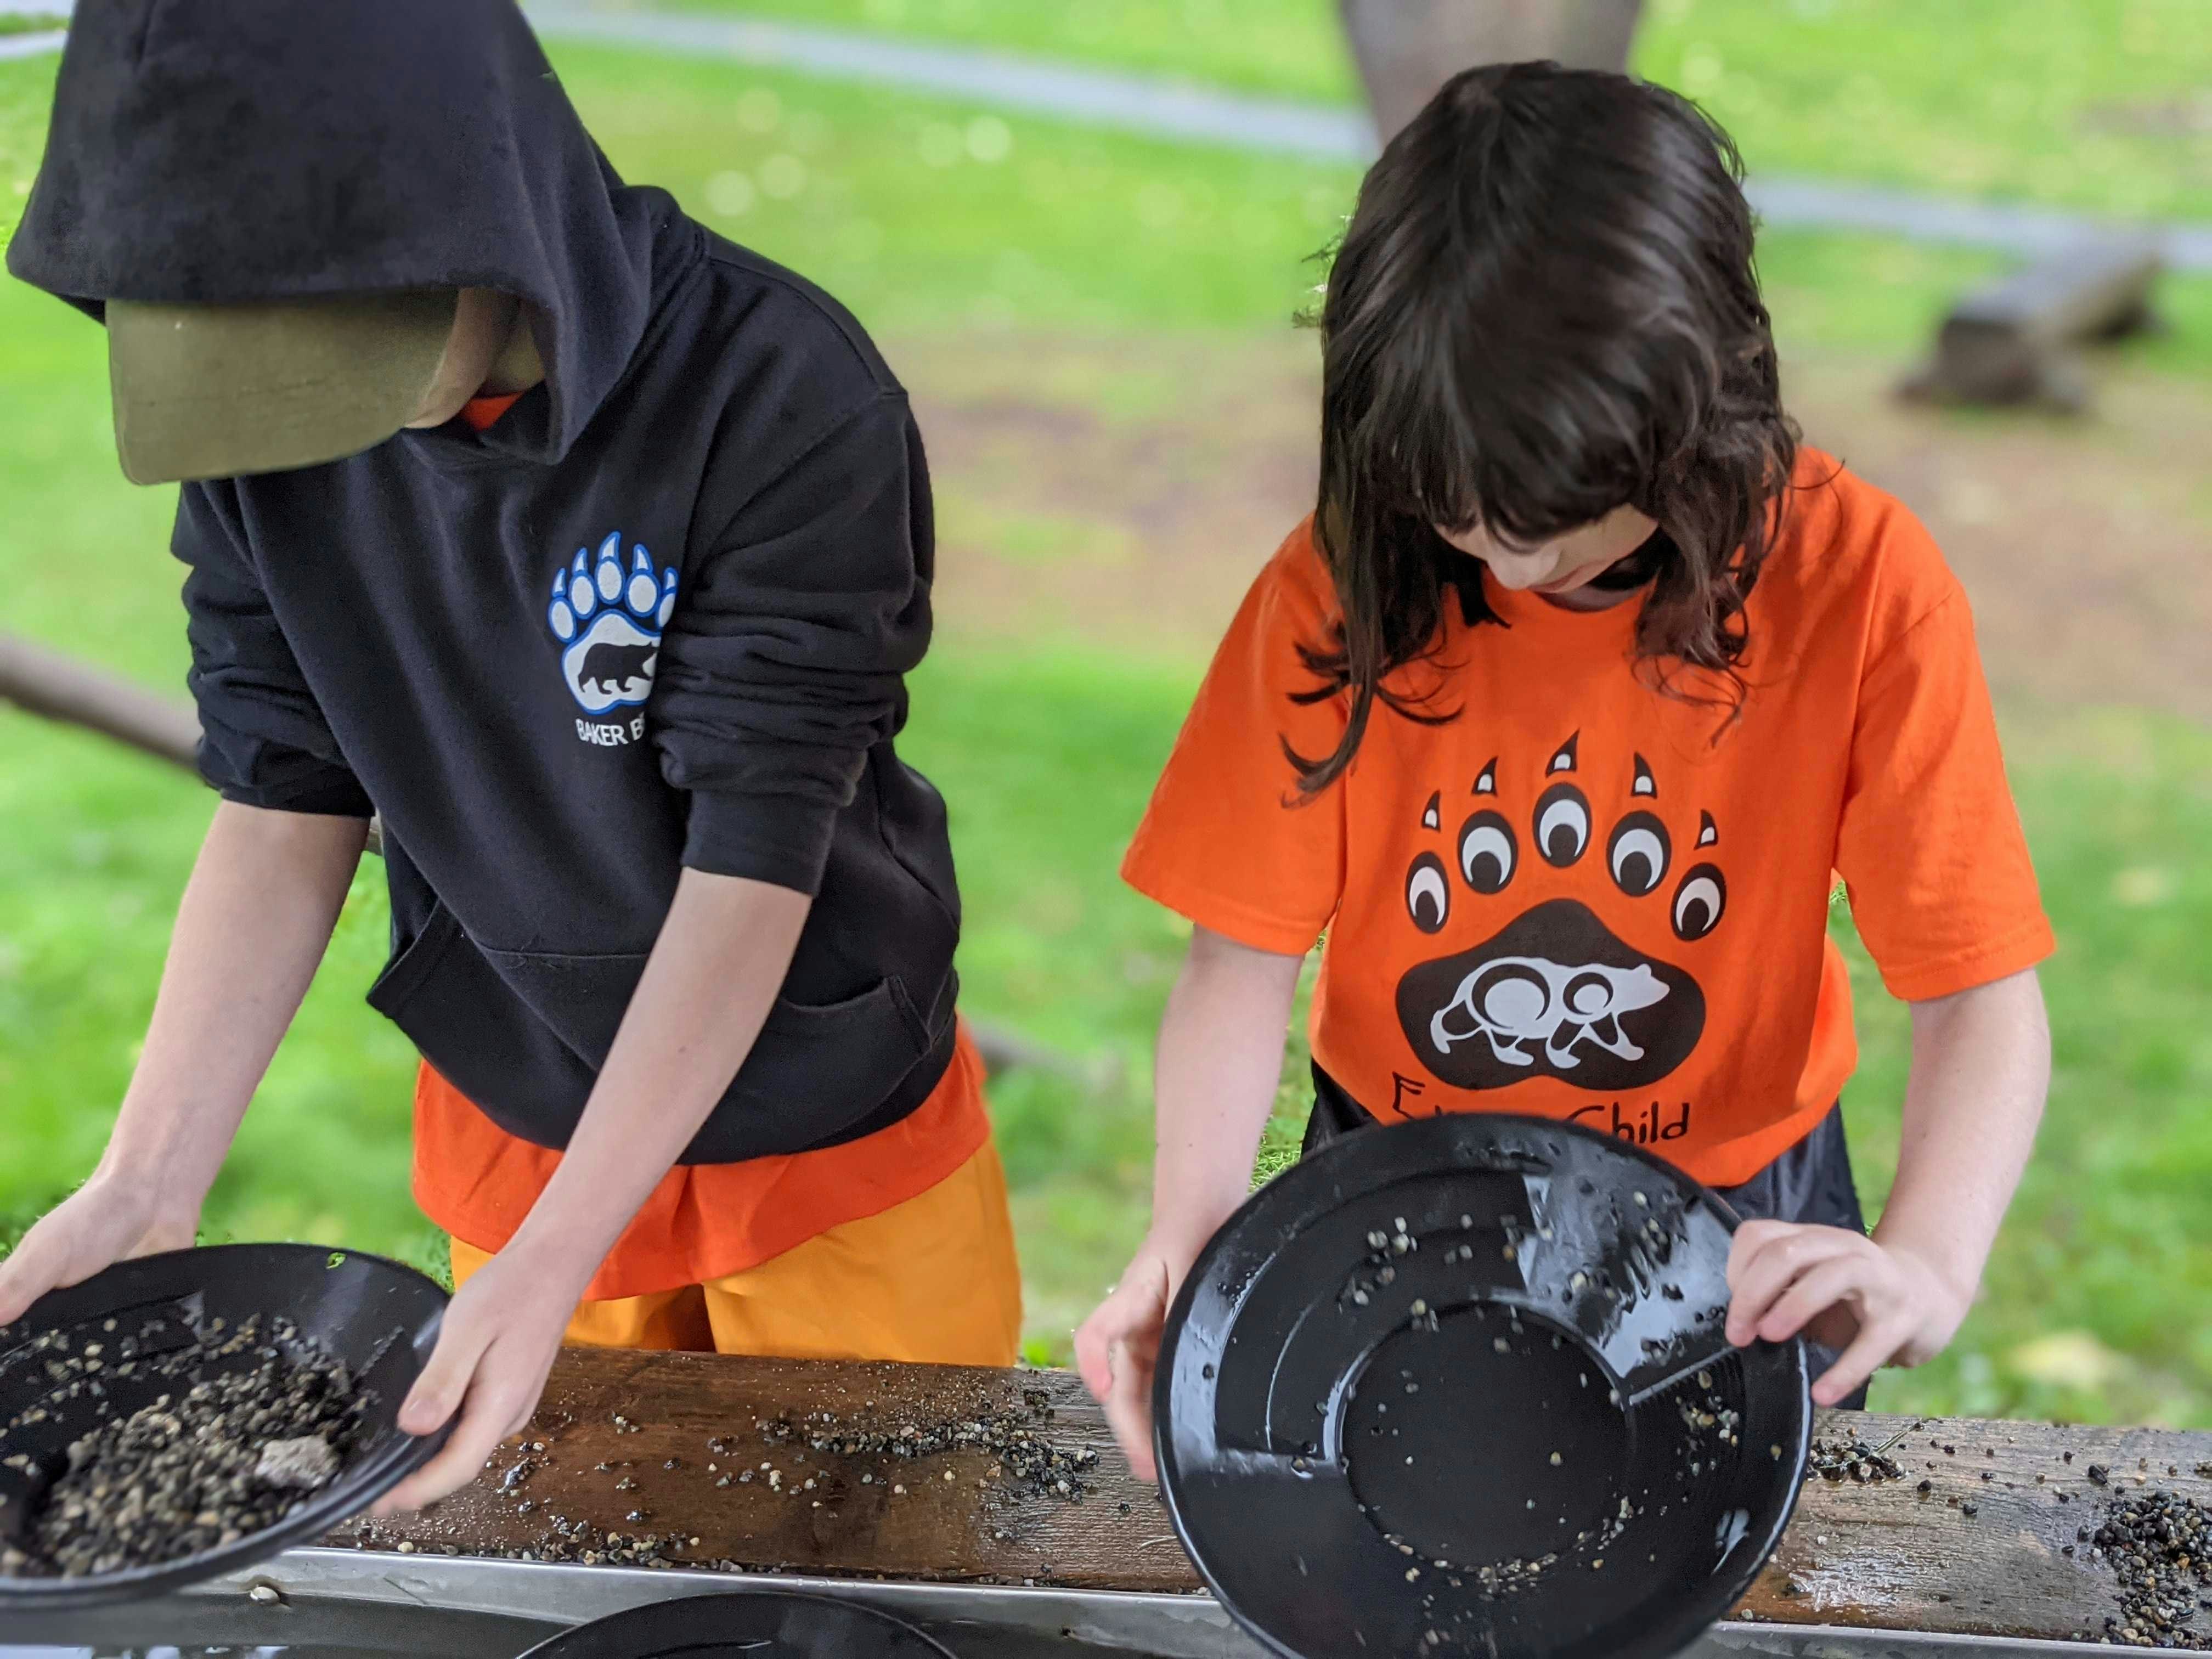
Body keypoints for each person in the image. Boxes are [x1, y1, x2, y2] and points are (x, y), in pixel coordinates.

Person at [0, 0, 1020, 1510]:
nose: (291, 420)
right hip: (512, 1100)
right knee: (559, 1542)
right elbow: (287, 790)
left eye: (320, 358)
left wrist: (562, 1263)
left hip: (823, 1109)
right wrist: (146, 1181)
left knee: (900, 1531)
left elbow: (754, 851)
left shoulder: (783, 391)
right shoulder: (254, 429)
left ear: (479, 214)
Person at [1075, 63, 2052, 1477]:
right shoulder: (1341, 587)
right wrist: (1193, 1234)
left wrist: (1928, 1260)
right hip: (1391, 1182)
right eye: (1463, 514)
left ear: (1700, 404)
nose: (1513, 566)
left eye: (1561, 520)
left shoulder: (1862, 587)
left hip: (1733, 1213)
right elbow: (1237, 962)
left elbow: (1978, 992)